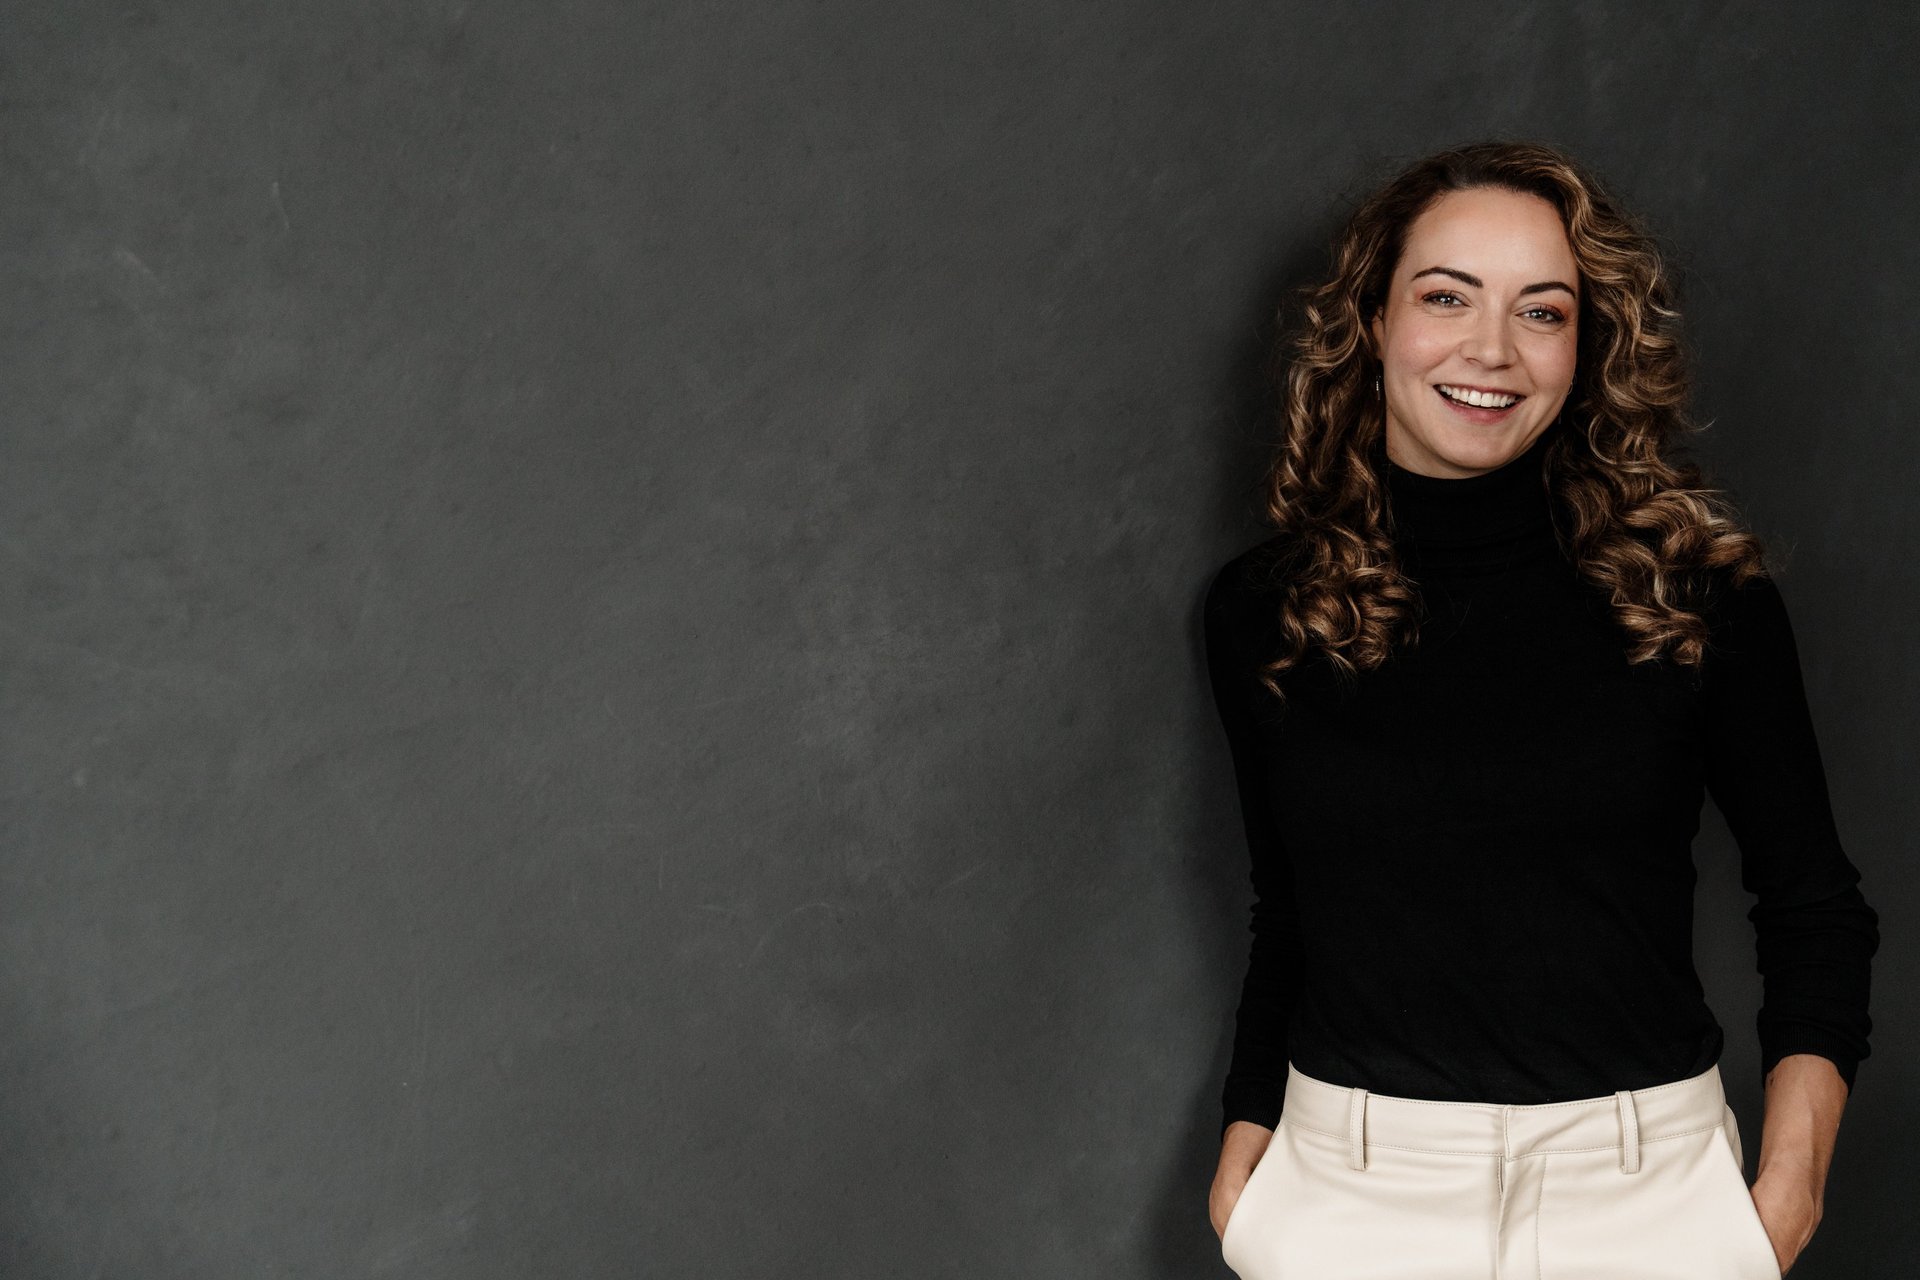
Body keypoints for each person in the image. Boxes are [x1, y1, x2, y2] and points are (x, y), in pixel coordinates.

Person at [1200, 140, 1879, 1279]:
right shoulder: (1270, 610)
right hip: (1348, 1197)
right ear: (1372, 321)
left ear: (1587, 346)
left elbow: (1816, 907)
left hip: (1650, 1201)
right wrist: (1246, 1156)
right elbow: (1292, 910)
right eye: (1446, 297)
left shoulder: (1693, 593)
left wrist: (1787, 1191)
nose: (1491, 349)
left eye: (1543, 311)